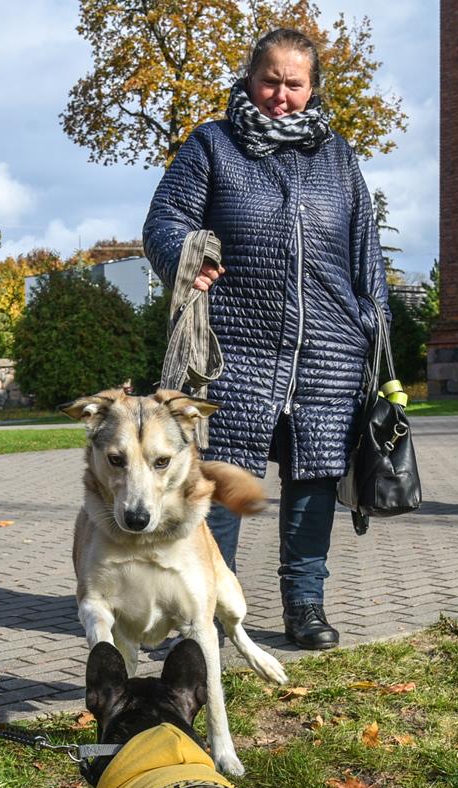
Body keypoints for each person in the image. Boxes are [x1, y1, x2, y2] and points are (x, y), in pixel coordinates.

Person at [143, 28, 389, 649]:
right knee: (224, 479)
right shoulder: (213, 144)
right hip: (235, 344)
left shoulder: (338, 157)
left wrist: (374, 327)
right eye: (270, 81)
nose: (281, 95)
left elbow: (367, 251)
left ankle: (305, 605)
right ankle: (206, 610)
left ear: (313, 88)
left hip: (329, 347)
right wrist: (186, 256)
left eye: (294, 84)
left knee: (315, 479)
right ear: (250, 79)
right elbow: (165, 220)